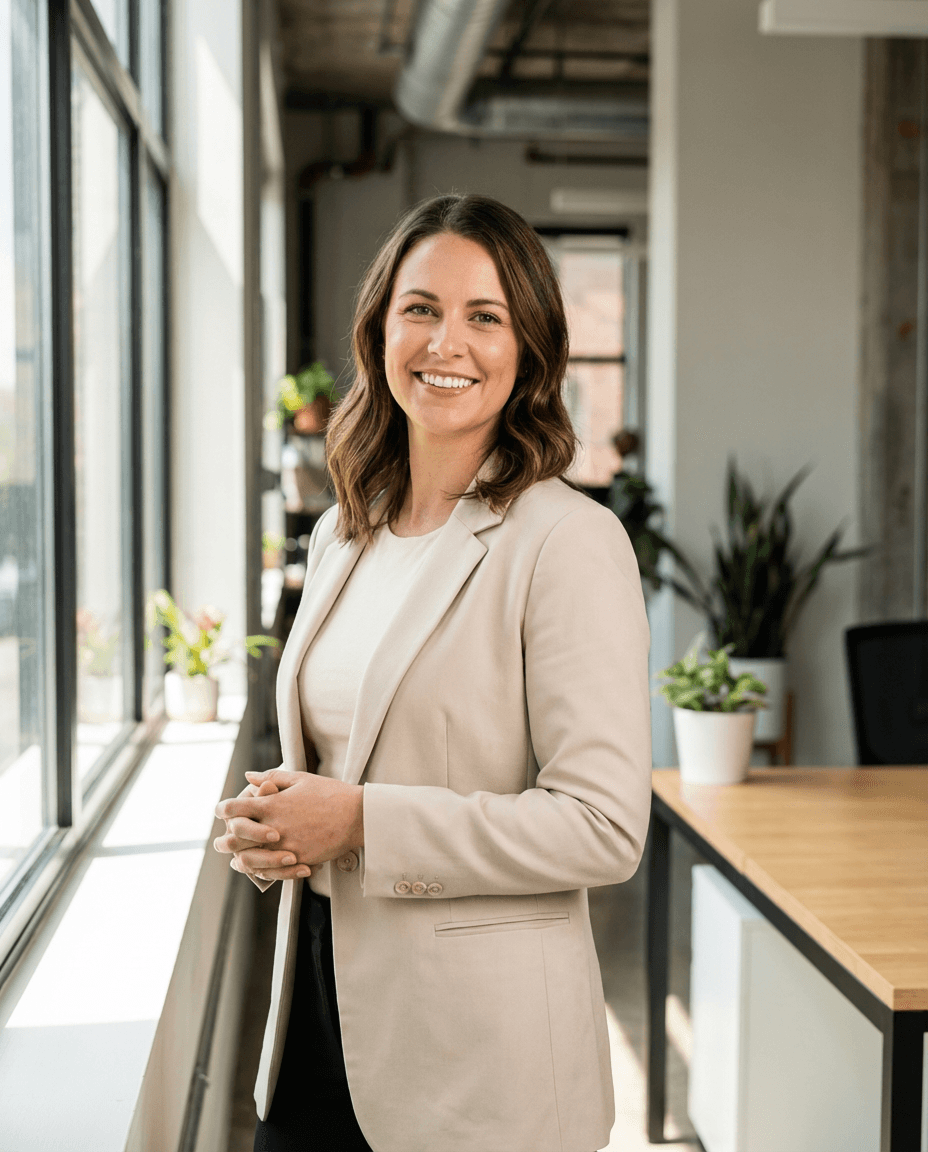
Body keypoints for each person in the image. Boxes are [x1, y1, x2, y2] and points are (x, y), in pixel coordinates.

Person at [213, 193, 652, 1152]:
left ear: (529, 347)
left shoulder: (567, 542)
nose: (445, 342)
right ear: (379, 330)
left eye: (484, 316)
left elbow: (604, 827)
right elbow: (342, 749)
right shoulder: (343, 529)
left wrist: (362, 821)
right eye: (421, 308)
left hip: (478, 1065)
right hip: (315, 1018)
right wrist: (284, 828)